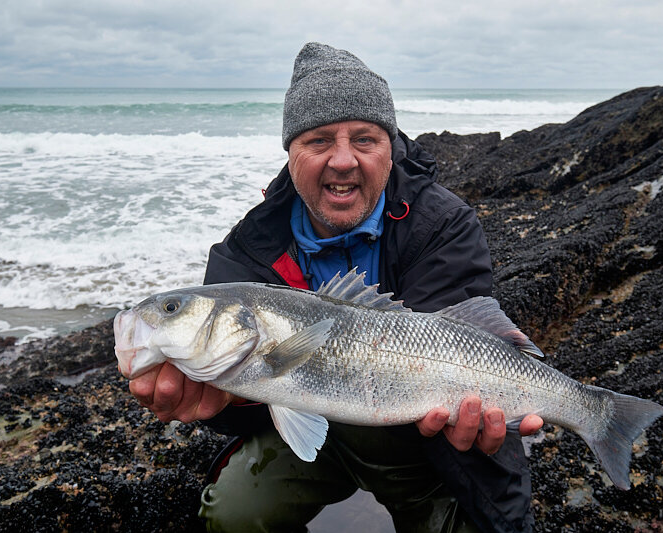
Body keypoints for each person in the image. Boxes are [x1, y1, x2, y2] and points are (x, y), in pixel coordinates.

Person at [128, 42, 543, 532]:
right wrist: (224, 401)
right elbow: (235, 406)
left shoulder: (442, 223)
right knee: (235, 514)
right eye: (319, 140)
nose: (343, 160)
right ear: (291, 153)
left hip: (425, 445)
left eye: (365, 139)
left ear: (392, 148)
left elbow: (460, 338)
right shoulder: (246, 252)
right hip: (307, 433)